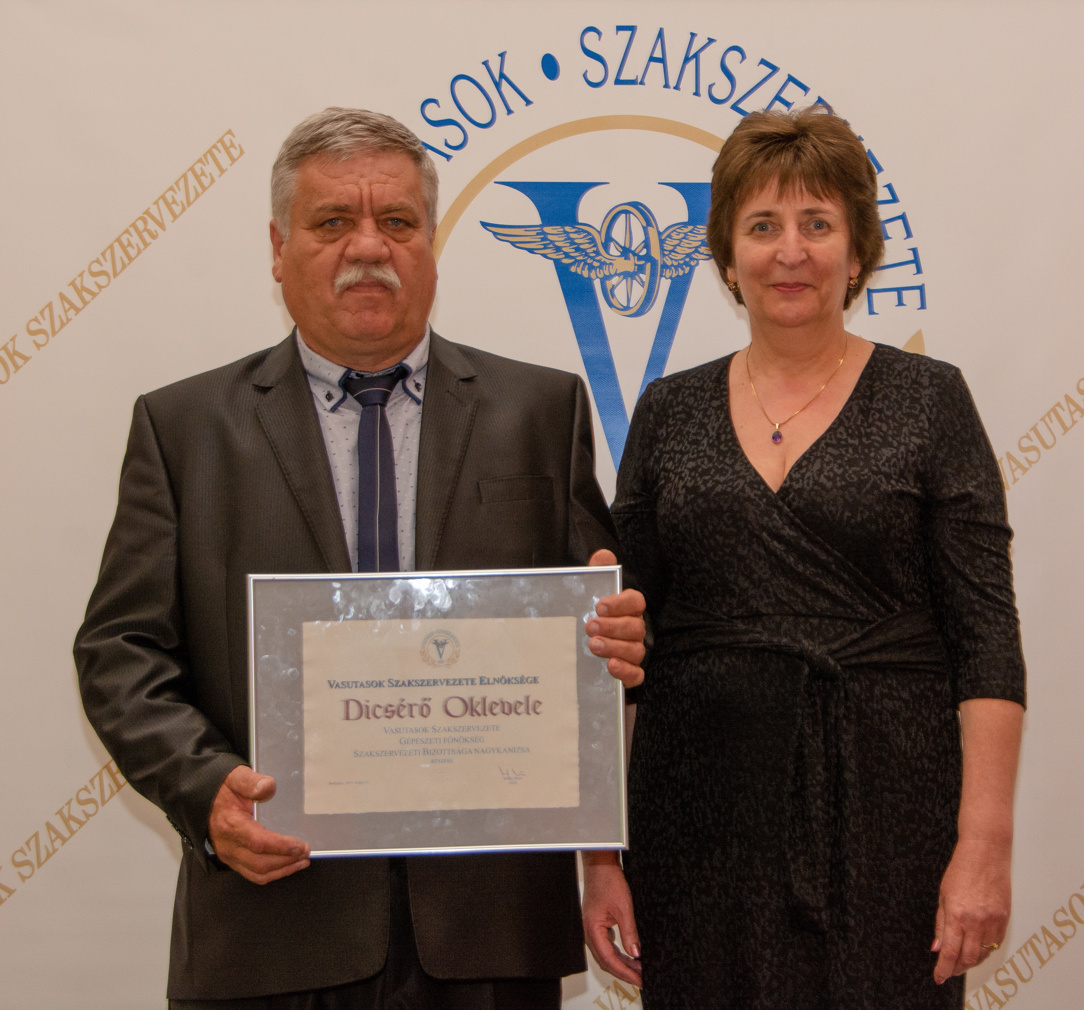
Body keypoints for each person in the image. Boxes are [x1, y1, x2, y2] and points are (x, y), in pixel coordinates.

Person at [74, 107, 646, 1010]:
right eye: (332, 221)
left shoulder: (541, 410)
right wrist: (207, 790)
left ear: (431, 245)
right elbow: (119, 654)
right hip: (271, 923)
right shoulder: (183, 430)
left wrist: (616, 644)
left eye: (398, 222)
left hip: (489, 930)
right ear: (278, 248)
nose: (368, 247)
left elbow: (595, 646)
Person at [582, 105, 1026, 1008]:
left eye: (817, 224)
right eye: (763, 226)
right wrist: (599, 857)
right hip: (696, 816)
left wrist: (983, 849)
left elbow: (987, 644)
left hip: (890, 809)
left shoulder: (931, 401)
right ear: (726, 256)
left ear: (857, 253)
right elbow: (619, 653)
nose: (791, 251)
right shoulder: (666, 411)